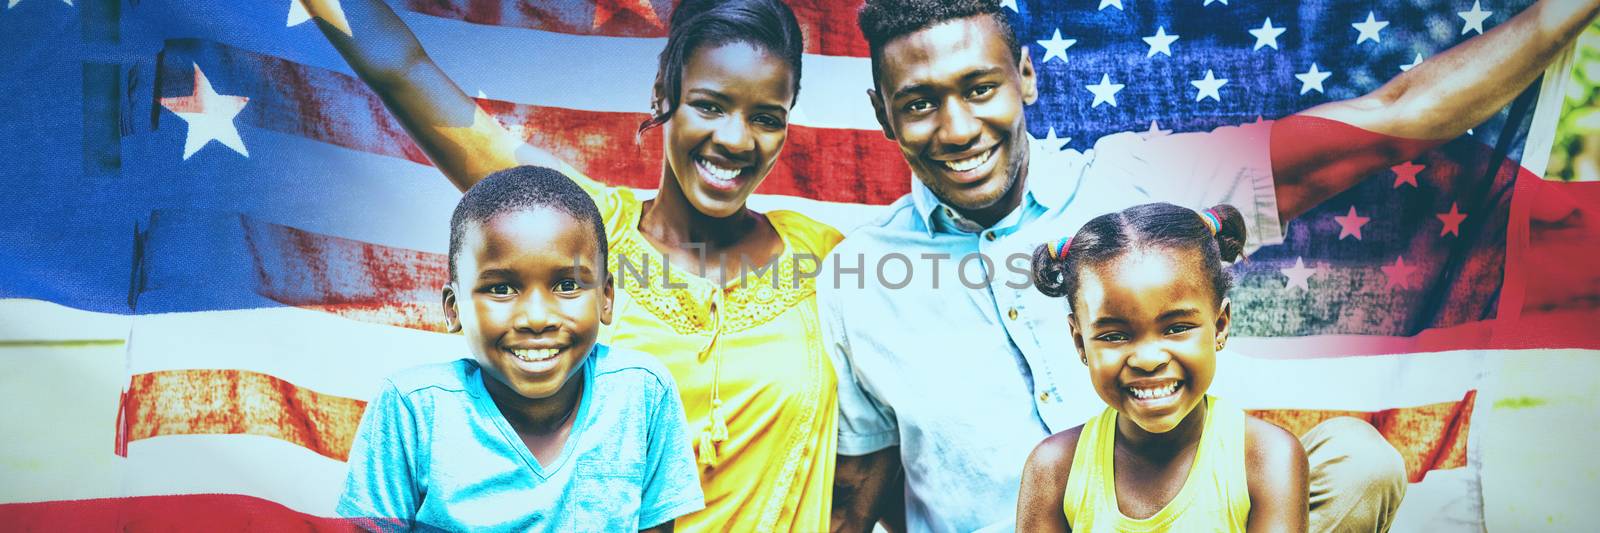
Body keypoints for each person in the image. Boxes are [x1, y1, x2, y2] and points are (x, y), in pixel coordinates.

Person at [825, 0, 1600, 531]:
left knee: (1357, 462)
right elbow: (856, 501)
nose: (957, 127)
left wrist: (1564, 9)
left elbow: (1394, 118)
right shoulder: (857, 278)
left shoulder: (1138, 179)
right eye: (920, 102)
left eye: (980, 87)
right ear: (880, 112)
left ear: (1025, 76)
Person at [301, 0, 841, 529]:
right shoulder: (580, 232)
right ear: (663, 93)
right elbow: (402, 70)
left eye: (766, 118)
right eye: (709, 105)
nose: (735, 139)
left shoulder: (824, 257)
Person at [337, 166, 703, 531]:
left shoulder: (642, 394)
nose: (537, 318)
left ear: (606, 298)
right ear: (454, 308)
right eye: (501, 289)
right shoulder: (412, 409)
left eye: (566, 285)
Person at [1015, 203, 1308, 532]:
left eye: (1177, 328)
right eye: (1114, 336)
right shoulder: (1055, 471)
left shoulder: (1265, 458)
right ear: (1080, 343)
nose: (1148, 359)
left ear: (1221, 325)